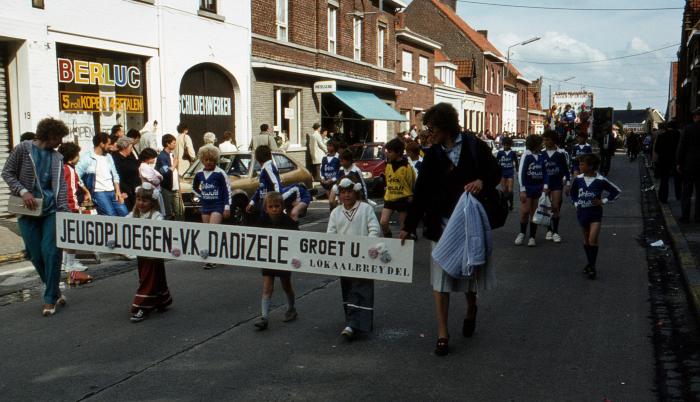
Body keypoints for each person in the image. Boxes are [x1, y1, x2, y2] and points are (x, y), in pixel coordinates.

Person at [400, 103, 500, 357]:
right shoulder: (432, 155)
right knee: (440, 279)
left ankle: (471, 307)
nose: (428, 133)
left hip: (468, 223)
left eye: (432, 128)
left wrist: (482, 181)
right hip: (440, 223)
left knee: (468, 275)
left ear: (445, 126)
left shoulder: (475, 146)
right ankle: (443, 332)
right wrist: (408, 226)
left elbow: (495, 173)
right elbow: (421, 193)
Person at [2, 117, 69, 316]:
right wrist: (23, 191)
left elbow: (61, 187)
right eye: (59, 138)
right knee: (35, 254)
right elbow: (7, 173)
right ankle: (55, 291)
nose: (61, 142)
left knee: (51, 253)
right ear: (50, 135)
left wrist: (64, 211)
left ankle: (49, 299)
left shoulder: (57, 157)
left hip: (51, 210)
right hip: (27, 209)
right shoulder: (24, 149)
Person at [327, 176, 381, 340]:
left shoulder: (365, 209)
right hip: (345, 259)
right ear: (339, 194)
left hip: (363, 258)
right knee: (348, 288)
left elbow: (374, 228)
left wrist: (368, 245)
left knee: (362, 289)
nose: (347, 195)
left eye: (350, 191)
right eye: (343, 192)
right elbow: (331, 234)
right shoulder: (336, 212)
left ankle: (354, 324)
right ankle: (351, 320)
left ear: (355, 192)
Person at [570, 154, 621, 279]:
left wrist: (603, 201)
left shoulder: (600, 180)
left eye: (582, 164)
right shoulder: (578, 179)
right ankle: (589, 263)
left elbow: (616, 191)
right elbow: (573, 193)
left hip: (595, 213)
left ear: (591, 166)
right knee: (586, 239)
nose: (580, 167)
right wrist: (576, 204)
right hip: (582, 212)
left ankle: (592, 267)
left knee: (593, 239)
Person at [253, 192, 299, 330]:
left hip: (284, 259)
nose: (274, 209)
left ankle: (291, 308)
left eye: (277, 206)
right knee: (267, 287)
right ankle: (264, 317)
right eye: (271, 206)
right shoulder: (262, 221)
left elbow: (297, 239)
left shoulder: (288, 222)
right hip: (268, 258)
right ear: (266, 208)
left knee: (286, 285)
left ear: (282, 206)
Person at [128, 183, 172, 322]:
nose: (141, 203)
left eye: (145, 200)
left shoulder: (156, 216)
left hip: (153, 254)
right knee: (152, 277)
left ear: (152, 202)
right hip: (142, 254)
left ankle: (143, 306)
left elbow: (160, 229)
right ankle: (160, 300)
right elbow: (122, 223)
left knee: (149, 278)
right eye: (139, 199)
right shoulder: (134, 214)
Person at [193, 145, 231, 268]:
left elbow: (227, 191)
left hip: (218, 205)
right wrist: (201, 195)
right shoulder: (199, 174)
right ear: (202, 160)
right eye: (206, 160)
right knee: (206, 232)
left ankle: (212, 258)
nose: (209, 162)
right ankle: (213, 255)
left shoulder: (220, 173)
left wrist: (226, 207)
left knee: (213, 231)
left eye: (212, 160)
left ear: (216, 160)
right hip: (205, 206)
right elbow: (194, 188)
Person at [76, 132, 128, 217]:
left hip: (112, 191)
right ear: (101, 144)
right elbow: (77, 175)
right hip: (99, 193)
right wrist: (86, 191)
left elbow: (115, 175)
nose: (111, 146)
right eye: (108, 144)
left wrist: (118, 191)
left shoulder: (108, 157)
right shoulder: (87, 157)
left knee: (125, 214)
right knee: (111, 216)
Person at [58, 142, 91, 274]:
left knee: (64, 237)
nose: (79, 157)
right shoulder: (70, 170)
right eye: (78, 155)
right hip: (70, 208)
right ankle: (70, 264)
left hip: (60, 207)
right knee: (73, 237)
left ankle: (63, 262)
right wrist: (77, 208)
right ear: (72, 157)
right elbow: (71, 192)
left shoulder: (60, 167)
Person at [515, 134, 547, 247]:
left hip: (538, 187)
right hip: (527, 188)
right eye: (540, 143)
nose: (542, 145)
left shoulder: (542, 156)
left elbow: (545, 172)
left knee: (534, 213)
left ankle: (532, 237)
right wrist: (522, 189)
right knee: (525, 211)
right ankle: (522, 233)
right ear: (535, 144)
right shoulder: (526, 155)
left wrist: (545, 186)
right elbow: (521, 173)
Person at [380, 138, 416, 238]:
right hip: (390, 197)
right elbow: (387, 180)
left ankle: (404, 246)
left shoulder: (406, 167)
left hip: (402, 199)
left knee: (403, 228)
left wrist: (410, 195)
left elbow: (411, 183)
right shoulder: (388, 165)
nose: (387, 154)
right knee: (383, 222)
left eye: (390, 152)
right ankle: (389, 238)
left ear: (398, 152)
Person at [542, 130, 571, 243]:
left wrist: (568, 183)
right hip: (545, 184)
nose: (545, 142)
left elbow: (566, 170)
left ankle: (556, 232)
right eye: (544, 140)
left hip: (557, 183)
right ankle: (549, 230)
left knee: (555, 206)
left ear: (553, 140)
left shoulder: (560, 155)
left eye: (548, 140)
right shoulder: (542, 154)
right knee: (547, 207)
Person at [247, 145, 284, 218]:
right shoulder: (265, 168)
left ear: (258, 157)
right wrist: (252, 202)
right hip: (264, 204)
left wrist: (278, 200)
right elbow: (261, 188)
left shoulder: (268, 167)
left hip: (270, 204)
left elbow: (276, 183)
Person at [677, 108, 700, 223]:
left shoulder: (688, 129)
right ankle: (698, 217)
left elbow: (682, 147)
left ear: (695, 117)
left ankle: (685, 217)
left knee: (686, 191)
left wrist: (678, 163)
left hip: (689, 164)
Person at [654, 123, 681, 204]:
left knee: (664, 180)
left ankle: (663, 198)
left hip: (664, 161)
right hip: (676, 160)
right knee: (678, 179)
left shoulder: (661, 136)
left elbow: (656, 149)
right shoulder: (679, 136)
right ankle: (679, 196)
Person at [112, 137, 141, 212]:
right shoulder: (115, 158)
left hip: (135, 189)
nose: (132, 149)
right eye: (130, 147)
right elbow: (116, 176)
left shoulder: (131, 156)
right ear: (125, 148)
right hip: (125, 191)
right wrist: (121, 191)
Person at [156, 134, 181, 220]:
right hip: (167, 188)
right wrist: (174, 165)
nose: (175, 145)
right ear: (167, 144)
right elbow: (165, 172)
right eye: (173, 143)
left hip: (175, 187)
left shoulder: (171, 155)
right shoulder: (162, 156)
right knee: (168, 213)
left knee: (179, 212)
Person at [496, 137, 518, 210]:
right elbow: (496, 161)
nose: (505, 146)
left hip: (510, 171)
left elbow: (516, 162)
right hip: (502, 172)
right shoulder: (500, 153)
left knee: (510, 190)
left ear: (510, 145)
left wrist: (517, 170)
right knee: (504, 190)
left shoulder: (513, 153)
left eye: (507, 145)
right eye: (504, 145)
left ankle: (511, 204)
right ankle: (505, 203)